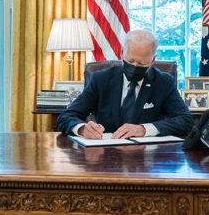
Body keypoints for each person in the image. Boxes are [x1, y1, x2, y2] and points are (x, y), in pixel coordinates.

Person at [57, 30, 193, 139]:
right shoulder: (101, 79)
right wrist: (81, 128)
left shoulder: (164, 82)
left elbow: (185, 121)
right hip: (105, 155)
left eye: (141, 64)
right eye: (131, 60)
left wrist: (144, 129)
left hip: (148, 158)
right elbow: (65, 117)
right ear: (122, 53)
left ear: (153, 60)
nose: (134, 66)